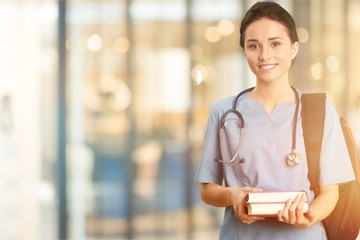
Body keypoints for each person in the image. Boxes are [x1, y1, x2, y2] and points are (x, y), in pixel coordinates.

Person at [194, 2, 355, 239]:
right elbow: (208, 190)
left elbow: (331, 191)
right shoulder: (223, 112)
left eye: (275, 44)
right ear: (244, 51)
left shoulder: (320, 111)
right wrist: (233, 196)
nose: (264, 55)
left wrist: (308, 216)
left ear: (293, 48)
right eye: (254, 46)